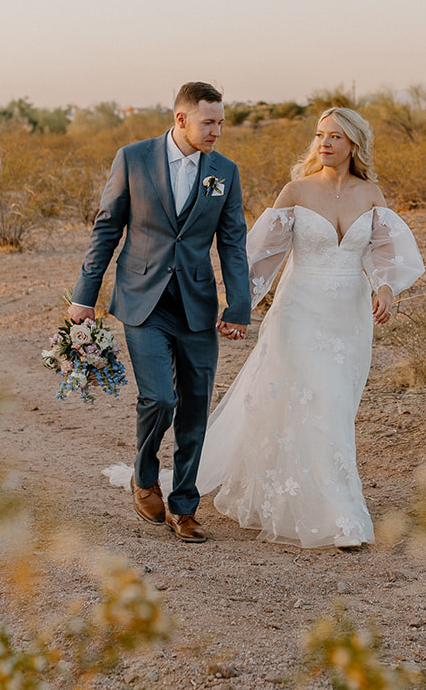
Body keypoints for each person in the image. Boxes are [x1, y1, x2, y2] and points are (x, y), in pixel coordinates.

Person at [194, 107, 423, 549]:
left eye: (336, 136)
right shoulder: (296, 190)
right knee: (312, 403)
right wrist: (240, 304)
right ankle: (339, 515)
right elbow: (258, 254)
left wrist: (387, 290)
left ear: (354, 143)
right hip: (299, 311)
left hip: (350, 318)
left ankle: (312, 497)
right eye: (320, 135)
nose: (325, 143)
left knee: (335, 405)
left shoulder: (370, 192)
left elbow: (384, 252)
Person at [70, 82, 250, 543]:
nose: (216, 131)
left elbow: (231, 242)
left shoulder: (224, 172)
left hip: (196, 304)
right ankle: (144, 473)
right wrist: (83, 296)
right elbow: (106, 229)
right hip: (142, 300)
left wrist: (240, 305)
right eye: (208, 122)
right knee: (161, 399)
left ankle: (185, 505)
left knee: (195, 407)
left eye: (221, 123)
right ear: (182, 119)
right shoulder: (132, 158)